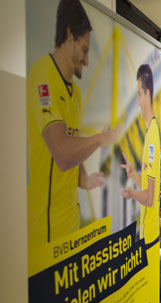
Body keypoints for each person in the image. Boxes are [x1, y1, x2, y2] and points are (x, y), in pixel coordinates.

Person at [27, 0, 120, 244]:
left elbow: (72, 149)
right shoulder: (42, 78)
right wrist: (100, 139)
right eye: (84, 49)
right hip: (46, 228)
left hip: (71, 222)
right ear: (68, 35)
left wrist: (84, 180)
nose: (87, 60)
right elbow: (63, 152)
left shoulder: (75, 93)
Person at [121, 64, 160, 251]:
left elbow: (149, 198)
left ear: (147, 94)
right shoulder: (149, 133)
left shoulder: (152, 135)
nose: (137, 102)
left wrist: (131, 193)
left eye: (138, 94)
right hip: (147, 231)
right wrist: (133, 174)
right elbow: (148, 185)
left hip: (150, 234)